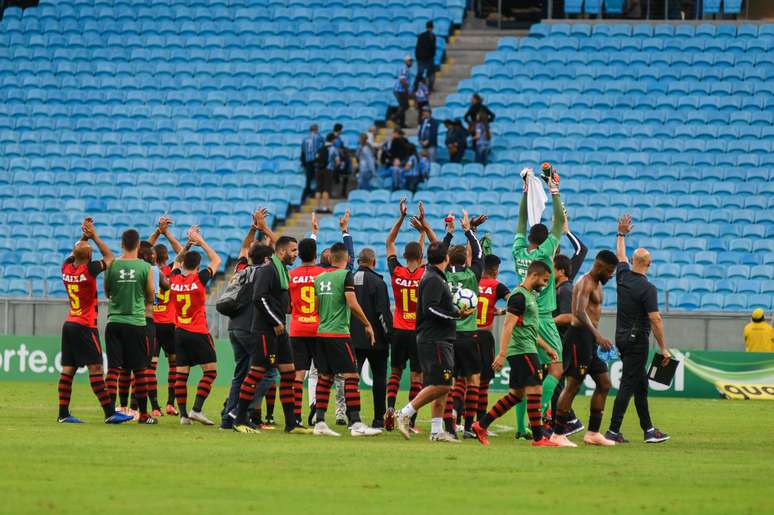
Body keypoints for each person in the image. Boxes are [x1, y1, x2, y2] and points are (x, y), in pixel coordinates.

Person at [470, 261, 559, 447]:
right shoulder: (519, 297)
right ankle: (538, 438)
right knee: (535, 390)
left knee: (516, 395)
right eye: (544, 280)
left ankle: (480, 425)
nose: (545, 284)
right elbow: (508, 325)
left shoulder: (528, 296)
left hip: (527, 348)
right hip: (522, 350)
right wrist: (502, 354)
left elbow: (529, 329)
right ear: (534, 275)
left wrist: (547, 348)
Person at [395, 241, 475, 443]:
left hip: (439, 339)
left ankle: (436, 431)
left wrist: (454, 313)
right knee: (443, 384)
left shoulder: (435, 277)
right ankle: (405, 413)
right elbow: (430, 308)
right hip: (434, 339)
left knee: (440, 384)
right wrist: (455, 315)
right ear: (446, 259)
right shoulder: (433, 279)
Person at [57, 217, 133, 424]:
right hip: (85, 326)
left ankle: (63, 414)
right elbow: (109, 257)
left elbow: (77, 252)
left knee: (68, 370)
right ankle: (109, 413)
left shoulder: (66, 268)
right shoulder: (90, 270)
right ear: (90, 255)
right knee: (96, 369)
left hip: (69, 323)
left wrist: (84, 237)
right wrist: (94, 236)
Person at [232, 236, 311, 435]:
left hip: (280, 330)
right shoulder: (267, 270)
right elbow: (258, 298)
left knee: (288, 372)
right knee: (257, 372)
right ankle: (239, 418)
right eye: (293, 250)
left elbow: (277, 298)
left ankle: (291, 423)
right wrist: (275, 321)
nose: (296, 254)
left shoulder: (282, 271)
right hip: (266, 330)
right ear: (282, 251)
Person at [606, 214, 672, 444]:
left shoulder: (622, 276)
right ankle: (613, 431)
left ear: (634, 262)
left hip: (621, 338)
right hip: (637, 342)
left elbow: (620, 255)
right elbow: (655, 319)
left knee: (640, 385)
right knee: (628, 384)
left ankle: (648, 430)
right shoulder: (648, 288)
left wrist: (621, 234)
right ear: (650, 264)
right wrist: (664, 349)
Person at [512, 169, 566, 426]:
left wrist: (525, 191)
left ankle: (522, 427)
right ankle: (543, 411)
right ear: (546, 242)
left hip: (522, 319)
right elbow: (558, 225)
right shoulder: (544, 254)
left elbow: (521, 222)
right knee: (556, 366)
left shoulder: (517, 251)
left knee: (528, 377)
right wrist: (554, 191)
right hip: (543, 317)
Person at [551, 250, 620, 447]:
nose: (610, 276)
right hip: (578, 339)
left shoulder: (598, 284)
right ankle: (557, 435)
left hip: (589, 340)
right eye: (609, 272)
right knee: (572, 386)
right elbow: (579, 312)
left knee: (604, 383)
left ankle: (593, 433)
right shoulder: (585, 283)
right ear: (600, 267)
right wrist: (597, 335)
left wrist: (596, 337)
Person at [312, 242, 381, 437]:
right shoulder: (345, 275)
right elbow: (352, 303)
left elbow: (316, 307)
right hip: (338, 334)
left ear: (330, 258)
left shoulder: (319, 278)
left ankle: (319, 422)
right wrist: (367, 324)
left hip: (321, 333)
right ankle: (357, 423)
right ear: (348, 259)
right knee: (351, 376)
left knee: (325, 378)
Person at [219, 211, 276, 430]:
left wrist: (254, 228)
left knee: (240, 374)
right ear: (266, 259)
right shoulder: (265, 272)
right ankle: (239, 410)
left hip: (234, 327)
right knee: (269, 372)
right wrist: (264, 227)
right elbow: (275, 252)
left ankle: (227, 420)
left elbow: (245, 248)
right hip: (251, 327)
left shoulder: (241, 269)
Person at [384, 199, 433, 432]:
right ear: (421, 256)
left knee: (395, 372)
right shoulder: (424, 274)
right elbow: (431, 254)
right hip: (418, 331)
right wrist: (423, 229)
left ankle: (390, 409)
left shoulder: (396, 271)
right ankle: (410, 421)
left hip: (398, 329)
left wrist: (402, 217)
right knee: (416, 376)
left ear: (404, 256)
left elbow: (389, 241)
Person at [104, 228, 157, 424]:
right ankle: (143, 414)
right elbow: (151, 295)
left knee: (114, 369)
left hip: (114, 322)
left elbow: (107, 291)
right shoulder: (145, 268)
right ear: (138, 245)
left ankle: (110, 412)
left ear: (121, 244)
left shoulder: (112, 266)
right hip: (136, 322)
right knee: (141, 369)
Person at [169, 227, 222, 425]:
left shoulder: (174, 279)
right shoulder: (199, 279)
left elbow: (176, 261)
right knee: (210, 371)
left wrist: (188, 244)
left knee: (181, 374)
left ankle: (183, 415)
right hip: (198, 331)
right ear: (199, 265)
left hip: (179, 331)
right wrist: (201, 241)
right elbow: (217, 260)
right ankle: (197, 409)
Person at [443, 210, 488, 438]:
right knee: (473, 380)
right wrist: (468, 230)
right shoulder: (472, 276)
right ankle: (469, 425)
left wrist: (449, 235)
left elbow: (437, 255)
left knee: (450, 382)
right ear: (465, 261)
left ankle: (450, 423)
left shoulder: (441, 275)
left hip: (448, 335)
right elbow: (479, 253)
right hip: (469, 335)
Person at [288, 229, 327, 427]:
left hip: (297, 329)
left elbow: (287, 304)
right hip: (319, 329)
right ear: (315, 253)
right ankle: (318, 410)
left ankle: (296, 416)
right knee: (322, 374)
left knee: (298, 375)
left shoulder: (291, 275)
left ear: (299, 255)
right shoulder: (323, 274)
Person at [350, 248, 393, 428]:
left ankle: (353, 417)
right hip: (376, 339)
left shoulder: (348, 279)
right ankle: (378, 419)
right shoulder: (378, 282)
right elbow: (382, 313)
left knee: (352, 378)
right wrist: (389, 335)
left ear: (359, 261)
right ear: (373, 262)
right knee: (380, 378)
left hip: (352, 338)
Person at [148, 216, 185, 416]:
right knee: (174, 364)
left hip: (153, 324)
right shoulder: (172, 270)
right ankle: (171, 403)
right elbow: (183, 252)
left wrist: (157, 232)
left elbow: (141, 249)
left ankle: (154, 406)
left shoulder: (147, 270)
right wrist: (167, 233)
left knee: (151, 367)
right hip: (171, 325)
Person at [475, 254, 511, 426]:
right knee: (483, 383)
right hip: (484, 337)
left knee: (463, 381)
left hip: (466, 334)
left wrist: (494, 311)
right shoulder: (497, 286)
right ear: (496, 271)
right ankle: (480, 422)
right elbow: (514, 302)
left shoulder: (471, 280)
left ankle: (458, 420)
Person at [314, 134, 338, 214]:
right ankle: (325, 207)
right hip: (328, 170)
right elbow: (338, 161)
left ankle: (317, 207)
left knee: (318, 189)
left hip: (318, 170)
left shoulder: (320, 148)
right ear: (333, 140)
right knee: (326, 189)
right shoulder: (333, 149)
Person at [301, 124, 324, 201]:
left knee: (308, 178)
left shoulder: (305, 139)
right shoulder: (318, 137)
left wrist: (303, 162)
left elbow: (303, 151)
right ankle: (314, 193)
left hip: (308, 161)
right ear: (316, 129)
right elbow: (323, 145)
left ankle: (306, 195)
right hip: (315, 160)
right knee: (317, 178)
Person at [392, 55, 414, 129]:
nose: (411, 62)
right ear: (405, 61)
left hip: (401, 90)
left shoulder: (406, 69)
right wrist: (407, 90)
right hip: (400, 90)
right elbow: (402, 80)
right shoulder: (404, 68)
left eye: (411, 61)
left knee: (404, 106)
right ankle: (395, 117)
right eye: (409, 61)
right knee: (404, 106)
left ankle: (401, 123)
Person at [414, 20, 436, 91]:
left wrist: (417, 57)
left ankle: (416, 87)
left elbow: (417, 47)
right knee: (429, 73)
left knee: (421, 73)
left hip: (423, 58)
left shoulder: (421, 35)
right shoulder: (432, 36)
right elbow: (433, 48)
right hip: (427, 58)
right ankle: (429, 87)